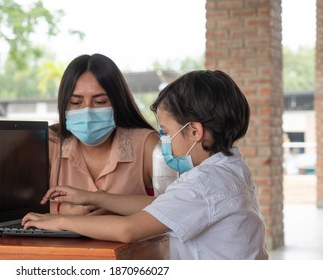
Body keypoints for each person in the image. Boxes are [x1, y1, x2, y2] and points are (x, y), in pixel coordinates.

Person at [22, 70, 269, 260]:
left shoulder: (203, 184)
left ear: (194, 131)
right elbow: (160, 205)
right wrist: (96, 198)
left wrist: (59, 222)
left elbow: (128, 230)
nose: (164, 141)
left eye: (167, 131)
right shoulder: (228, 169)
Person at [48, 53, 160, 215]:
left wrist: (105, 204)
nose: (87, 112)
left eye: (100, 102)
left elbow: (176, 205)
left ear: (117, 102)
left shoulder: (147, 145)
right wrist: (66, 209)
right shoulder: (51, 142)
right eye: (76, 102)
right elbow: (19, 208)